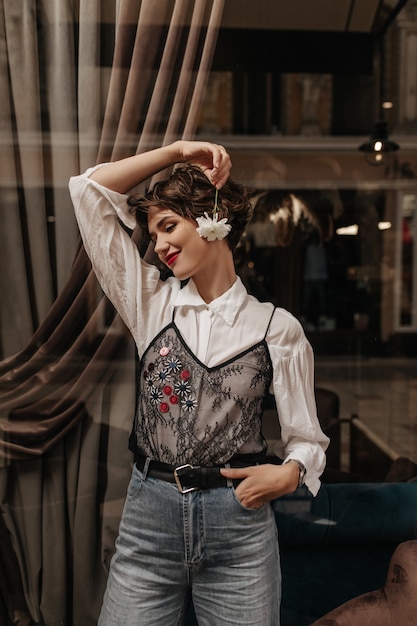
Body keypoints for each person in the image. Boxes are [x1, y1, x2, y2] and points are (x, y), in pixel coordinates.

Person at [69, 141, 329, 626]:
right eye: (154, 234)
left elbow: (306, 438)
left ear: (213, 220)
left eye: (170, 226)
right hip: (150, 520)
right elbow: (88, 192)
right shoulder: (149, 304)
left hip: (241, 529)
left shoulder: (277, 328)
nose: (161, 245)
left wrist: (290, 474)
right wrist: (176, 151)